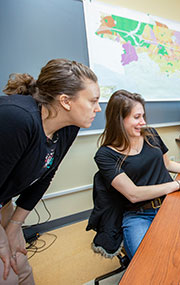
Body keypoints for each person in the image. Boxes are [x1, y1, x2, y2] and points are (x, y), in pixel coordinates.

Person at [0, 58, 101, 284]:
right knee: (5, 272)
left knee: (20, 263)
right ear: (65, 101)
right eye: (93, 101)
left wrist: (15, 225)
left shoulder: (68, 127)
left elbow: (46, 174)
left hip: (3, 201)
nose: (98, 108)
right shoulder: (17, 118)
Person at [91, 90, 180, 260]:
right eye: (137, 117)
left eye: (143, 116)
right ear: (119, 119)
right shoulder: (106, 155)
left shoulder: (151, 135)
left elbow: (167, 164)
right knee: (145, 260)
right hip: (138, 214)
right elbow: (133, 194)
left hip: (170, 203)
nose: (143, 122)